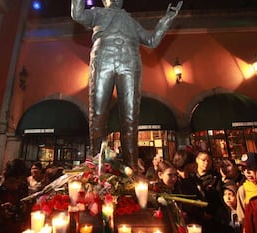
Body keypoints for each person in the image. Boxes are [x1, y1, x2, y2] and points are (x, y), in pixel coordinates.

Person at [71, 0, 181, 170]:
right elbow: (77, 14)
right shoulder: (97, 13)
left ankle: (131, 166)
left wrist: (167, 18)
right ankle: (97, 166)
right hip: (103, 58)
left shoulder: (130, 20)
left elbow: (151, 40)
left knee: (130, 117)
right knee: (98, 114)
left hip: (130, 61)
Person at [0, 158, 30, 233]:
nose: (15, 186)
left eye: (18, 183)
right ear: (4, 176)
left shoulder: (23, 187)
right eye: (12, 182)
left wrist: (24, 209)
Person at [236, 152, 257, 223]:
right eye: (244, 169)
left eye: (251, 168)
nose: (247, 172)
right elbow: (242, 217)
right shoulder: (243, 189)